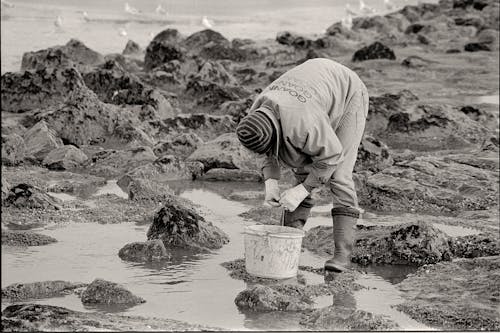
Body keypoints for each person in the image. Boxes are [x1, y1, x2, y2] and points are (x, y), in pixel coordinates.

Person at [236, 58, 369, 273]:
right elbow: (264, 149)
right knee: (303, 167)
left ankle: (342, 255)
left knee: (339, 176)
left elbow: (332, 155)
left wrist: (303, 189)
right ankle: (291, 239)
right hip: (315, 94)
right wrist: (271, 180)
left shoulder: (302, 123)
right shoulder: (256, 115)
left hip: (348, 94)